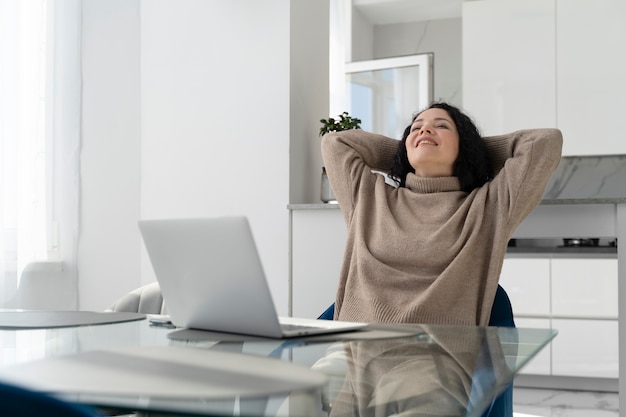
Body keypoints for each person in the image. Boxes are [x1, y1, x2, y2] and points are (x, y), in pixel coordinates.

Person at [321, 102, 562, 326]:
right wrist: (408, 150)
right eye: (416, 128)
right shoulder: (369, 199)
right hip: (351, 353)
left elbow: (545, 142)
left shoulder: (489, 206)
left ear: (463, 145)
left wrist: (472, 149)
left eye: (441, 126)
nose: (425, 130)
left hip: (433, 358)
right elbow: (335, 143)